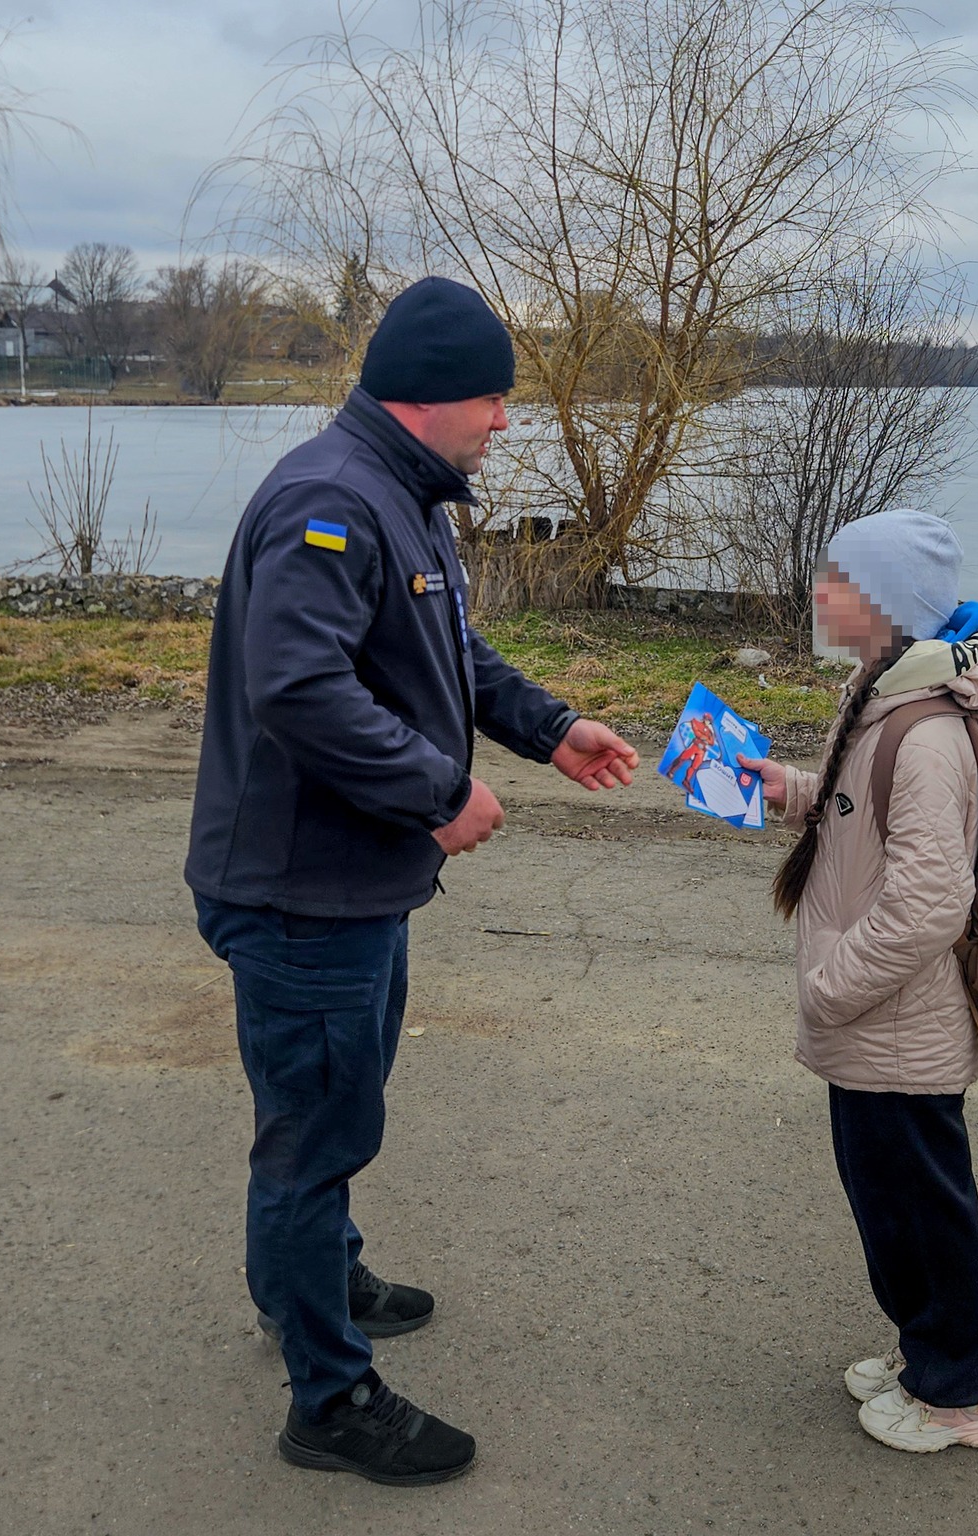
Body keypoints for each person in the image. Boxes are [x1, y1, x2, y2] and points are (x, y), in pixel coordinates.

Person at [185, 276, 639, 1487]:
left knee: (331, 1117)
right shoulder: (330, 501)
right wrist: (438, 795)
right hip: (298, 890)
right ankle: (326, 1397)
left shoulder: (405, 497)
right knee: (313, 1139)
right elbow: (299, 689)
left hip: (349, 884)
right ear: (430, 394)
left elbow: (443, 650)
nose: (504, 420)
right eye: (494, 397)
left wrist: (551, 730)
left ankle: (316, 1284)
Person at [738, 507, 978, 1453]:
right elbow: (861, 816)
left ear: (891, 606)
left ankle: (963, 1394)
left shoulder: (926, 734)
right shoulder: (878, 696)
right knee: (889, 1205)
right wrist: (790, 791)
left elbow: (929, 906)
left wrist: (828, 986)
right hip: (873, 1028)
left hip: (895, 1026)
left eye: (840, 583)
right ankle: (924, 1351)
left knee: (924, 1216)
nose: (822, 595)